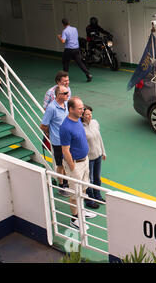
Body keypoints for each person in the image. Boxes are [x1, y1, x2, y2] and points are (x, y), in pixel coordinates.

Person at [60, 96, 98, 230]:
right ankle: (74, 219)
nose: (83, 110)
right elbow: (65, 150)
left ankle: (81, 211)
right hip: (75, 165)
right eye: (80, 108)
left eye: (83, 108)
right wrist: (72, 167)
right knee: (75, 193)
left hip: (84, 160)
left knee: (83, 188)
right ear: (71, 109)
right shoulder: (66, 127)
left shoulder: (77, 120)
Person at [40, 85, 69, 196]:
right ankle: (62, 186)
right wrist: (49, 134)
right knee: (60, 164)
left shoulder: (66, 104)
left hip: (67, 140)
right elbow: (43, 125)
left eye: (67, 92)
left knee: (67, 162)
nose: (67, 94)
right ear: (58, 95)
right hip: (57, 141)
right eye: (65, 93)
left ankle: (66, 183)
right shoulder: (52, 108)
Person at [82, 105, 107, 203]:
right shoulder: (81, 128)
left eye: (90, 114)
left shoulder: (95, 123)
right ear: (82, 116)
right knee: (90, 180)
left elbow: (99, 138)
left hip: (98, 156)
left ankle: (98, 196)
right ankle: (90, 200)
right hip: (89, 158)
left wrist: (103, 151)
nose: (89, 116)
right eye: (87, 114)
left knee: (97, 178)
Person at [57, 18, 93, 82]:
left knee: (65, 63)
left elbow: (63, 41)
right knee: (80, 63)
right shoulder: (74, 29)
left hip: (69, 49)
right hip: (76, 49)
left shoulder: (65, 31)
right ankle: (88, 74)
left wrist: (59, 37)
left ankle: (65, 78)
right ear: (69, 22)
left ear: (63, 24)